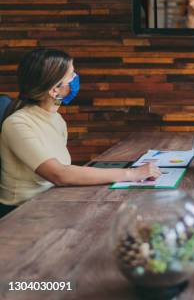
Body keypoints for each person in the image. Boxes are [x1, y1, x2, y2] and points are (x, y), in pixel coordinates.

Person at [0, 49, 161, 218]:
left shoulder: (56, 119)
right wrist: (132, 174)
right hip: (21, 213)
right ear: (55, 90)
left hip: (52, 201)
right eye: (71, 75)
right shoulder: (17, 124)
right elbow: (59, 174)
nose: (76, 77)